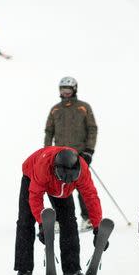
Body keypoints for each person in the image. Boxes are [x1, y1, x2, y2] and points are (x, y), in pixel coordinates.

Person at [14, 146, 103, 275]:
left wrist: (98, 227)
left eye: (70, 179)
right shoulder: (43, 167)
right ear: (55, 170)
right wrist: (42, 223)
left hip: (63, 191)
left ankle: (72, 270)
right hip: (31, 176)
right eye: (63, 178)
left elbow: (91, 197)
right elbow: (35, 197)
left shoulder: (83, 171)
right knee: (25, 220)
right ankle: (23, 269)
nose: (65, 181)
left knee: (69, 222)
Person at [44, 76, 98, 231]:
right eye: (63, 89)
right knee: (58, 187)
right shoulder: (55, 109)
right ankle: (61, 219)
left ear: (74, 90)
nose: (65, 92)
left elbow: (92, 129)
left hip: (79, 154)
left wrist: (89, 150)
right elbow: (49, 132)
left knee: (82, 187)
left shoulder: (83, 107)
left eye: (68, 89)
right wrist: (47, 151)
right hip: (59, 156)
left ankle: (87, 218)